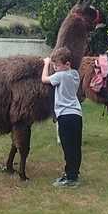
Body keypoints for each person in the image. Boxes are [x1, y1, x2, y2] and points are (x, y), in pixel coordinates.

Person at [41, 47, 83, 187]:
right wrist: (55, 65)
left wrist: (46, 64)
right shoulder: (75, 74)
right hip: (76, 115)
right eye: (53, 65)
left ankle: (70, 179)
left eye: (57, 65)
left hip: (65, 116)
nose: (55, 68)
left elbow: (44, 79)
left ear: (67, 64)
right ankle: (73, 173)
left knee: (67, 147)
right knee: (75, 146)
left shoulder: (60, 75)